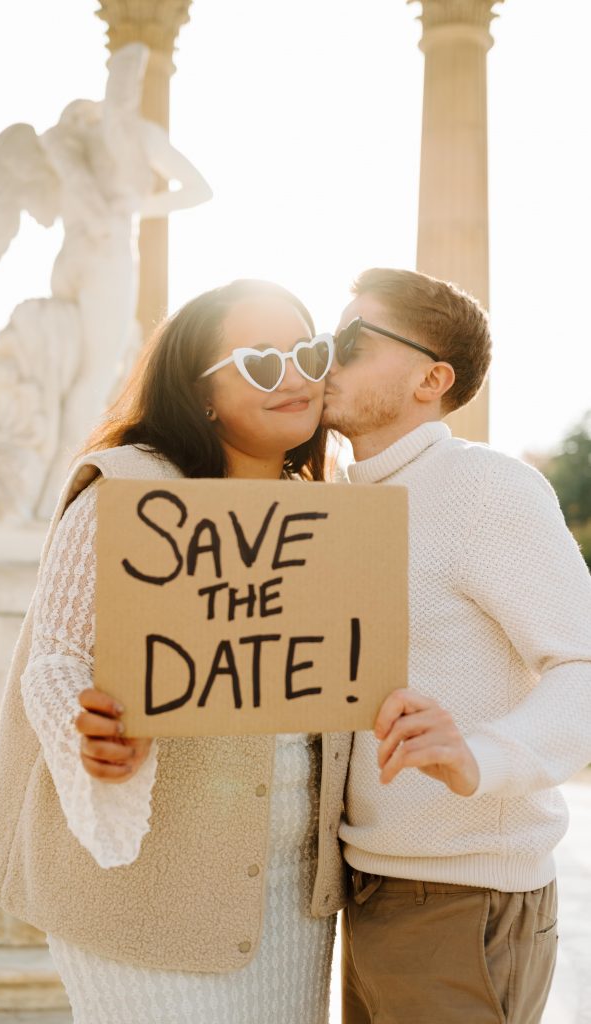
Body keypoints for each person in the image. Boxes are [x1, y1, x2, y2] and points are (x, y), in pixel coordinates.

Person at [0, 278, 352, 1024]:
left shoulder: (330, 511)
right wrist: (91, 733)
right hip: (146, 900)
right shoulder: (129, 488)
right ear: (200, 391)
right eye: (260, 362)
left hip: (287, 894)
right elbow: (54, 657)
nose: (295, 378)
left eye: (310, 354)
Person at [321, 267, 591, 1024]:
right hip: (362, 894)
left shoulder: (486, 487)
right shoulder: (333, 505)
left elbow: (583, 666)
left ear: (429, 378)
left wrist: (483, 753)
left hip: (464, 902)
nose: (324, 361)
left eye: (350, 343)